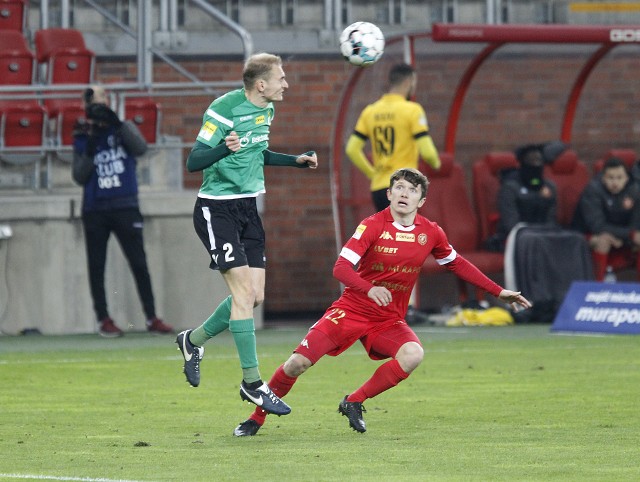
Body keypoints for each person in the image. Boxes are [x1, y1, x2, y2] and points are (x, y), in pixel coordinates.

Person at [233, 168, 531, 436]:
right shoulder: (372, 225)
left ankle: (354, 401)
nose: (405, 193)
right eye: (399, 188)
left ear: (421, 201)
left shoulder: (431, 232)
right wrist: (368, 288)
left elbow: (457, 264)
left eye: (412, 190)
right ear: (389, 194)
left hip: (388, 319)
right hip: (351, 310)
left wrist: (498, 291)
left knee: (413, 354)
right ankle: (256, 417)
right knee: (297, 363)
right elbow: (340, 267)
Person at [175, 53, 318, 416]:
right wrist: (225, 147)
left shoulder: (266, 111)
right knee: (241, 295)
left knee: (254, 297)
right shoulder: (223, 110)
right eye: (281, 78)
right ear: (261, 84)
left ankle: (192, 341)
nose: (286, 84)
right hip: (216, 210)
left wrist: (294, 161)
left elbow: (259, 153)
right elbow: (193, 161)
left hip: (247, 210)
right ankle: (253, 383)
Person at [72, 86, 174, 337]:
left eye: (103, 99)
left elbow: (140, 149)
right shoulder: (83, 135)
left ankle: (151, 317)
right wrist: (92, 142)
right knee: (97, 266)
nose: (101, 104)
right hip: (95, 208)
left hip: (125, 206)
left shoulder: (123, 128)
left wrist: (116, 124)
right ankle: (103, 319)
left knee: (139, 263)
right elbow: (79, 175)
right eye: (95, 101)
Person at [345, 63, 441, 212]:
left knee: (388, 234)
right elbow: (428, 153)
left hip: (379, 188)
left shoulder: (370, 111)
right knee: (405, 234)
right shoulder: (412, 110)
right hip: (404, 188)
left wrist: (372, 174)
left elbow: (352, 149)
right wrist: (436, 164)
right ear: (409, 81)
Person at [572, 157, 640, 281]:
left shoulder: (635, 191)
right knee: (603, 242)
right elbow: (597, 225)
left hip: (622, 236)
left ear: (627, 178)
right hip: (587, 235)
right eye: (610, 178)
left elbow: (636, 224)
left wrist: (626, 237)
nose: (615, 182)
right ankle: (598, 288)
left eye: (619, 178)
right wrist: (629, 235)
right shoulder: (593, 190)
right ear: (603, 178)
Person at [492, 143, 558, 251]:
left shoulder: (549, 187)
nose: (536, 164)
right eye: (531, 161)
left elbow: (551, 219)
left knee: (573, 239)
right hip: (520, 236)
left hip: (545, 233)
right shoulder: (510, 187)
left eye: (539, 160)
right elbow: (511, 224)